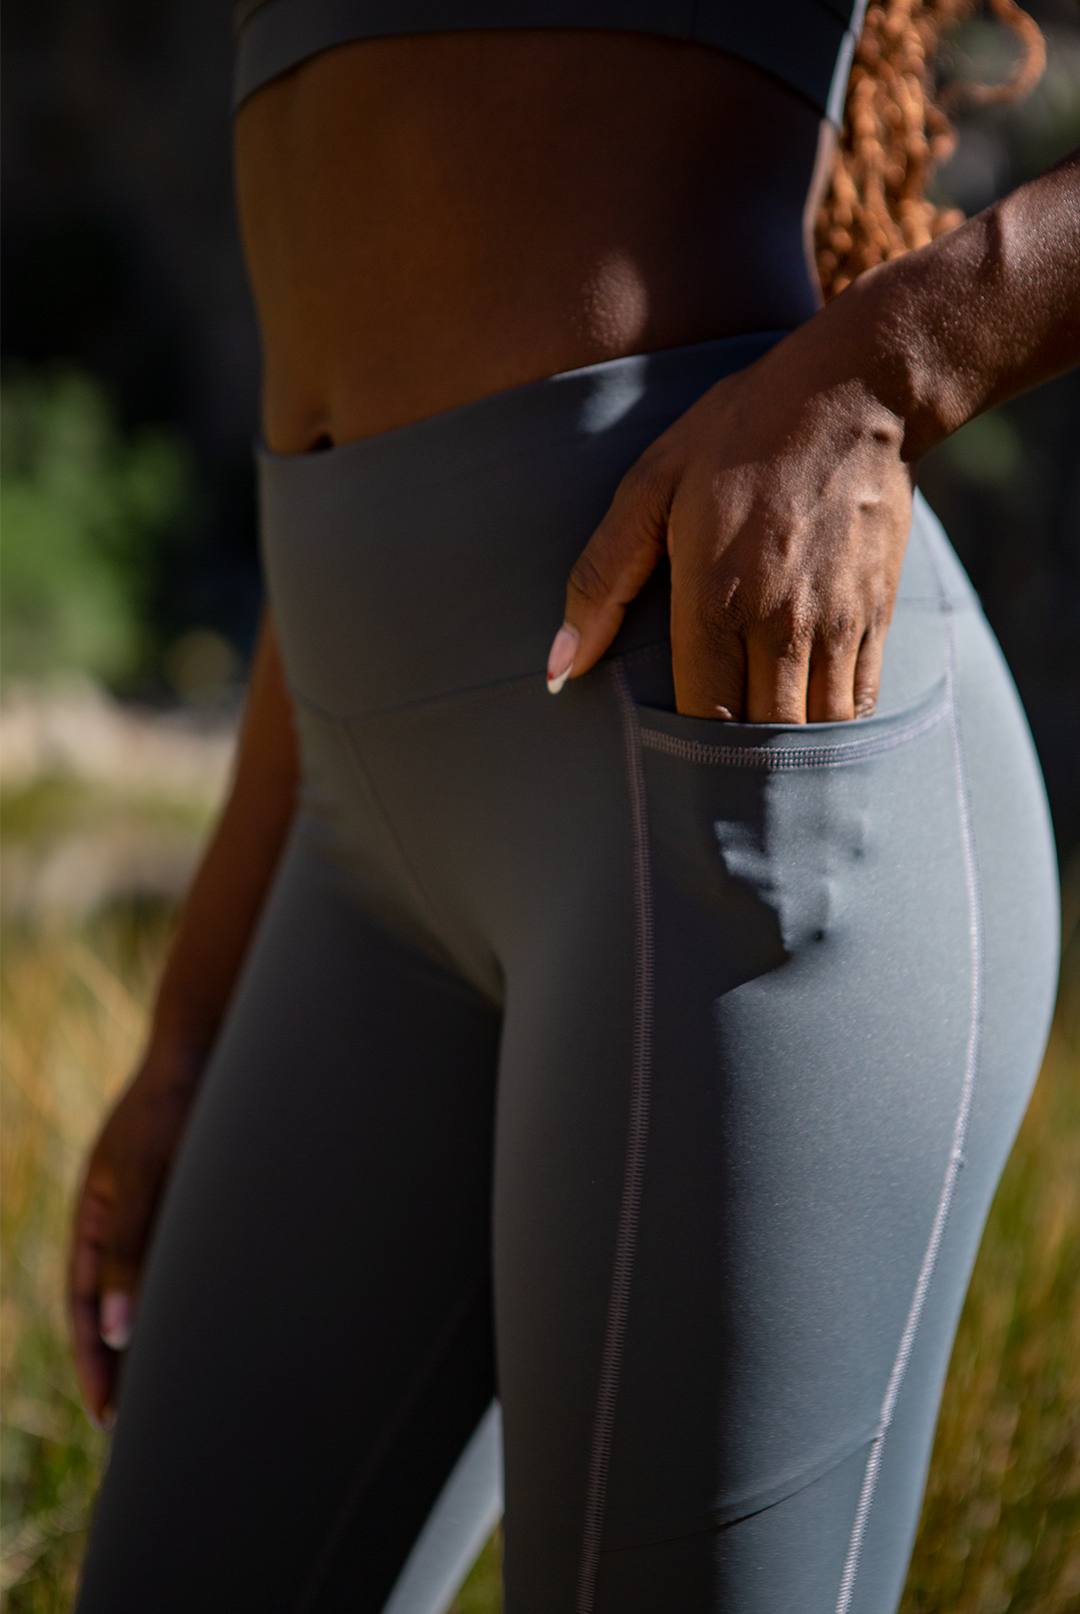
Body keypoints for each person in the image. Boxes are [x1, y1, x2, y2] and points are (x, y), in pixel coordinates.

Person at [69, 1, 1078, 1609]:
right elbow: (348, 457)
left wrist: (904, 358)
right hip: (357, 839)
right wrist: (192, 1016)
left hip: (731, 758)